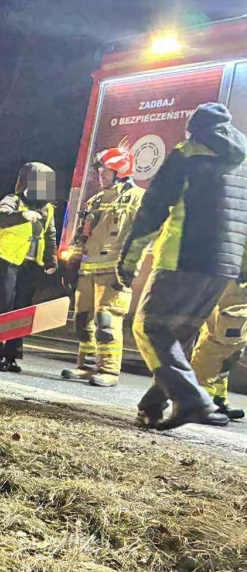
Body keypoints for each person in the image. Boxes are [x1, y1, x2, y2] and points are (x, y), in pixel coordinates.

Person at [117, 102, 247, 429]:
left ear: (194, 129)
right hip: (224, 266)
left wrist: (129, 259)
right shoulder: (243, 163)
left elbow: (154, 207)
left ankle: (192, 401)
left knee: (148, 327)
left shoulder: (186, 153)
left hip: (183, 256)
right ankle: (153, 406)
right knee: (180, 334)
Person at [60, 147, 144, 387]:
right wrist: (73, 263)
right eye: (99, 170)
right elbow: (80, 236)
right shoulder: (95, 200)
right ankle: (85, 366)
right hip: (88, 270)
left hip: (114, 271)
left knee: (107, 321)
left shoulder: (138, 198)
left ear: (121, 171)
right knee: (82, 320)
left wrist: (129, 269)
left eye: (105, 170)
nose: (100, 175)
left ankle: (108, 370)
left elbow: (142, 236)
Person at [0, 162, 58, 372]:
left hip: (31, 265)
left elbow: (50, 235)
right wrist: (21, 216)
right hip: (6, 260)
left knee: (21, 312)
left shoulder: (48, 208)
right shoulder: (13, 201)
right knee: (4, 308)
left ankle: (12, 356)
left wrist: (51, 260)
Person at [191, 281, 247, 420]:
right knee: (218, 345)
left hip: (236, 282)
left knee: (230, 350)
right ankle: (200, 405)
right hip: (234, 281)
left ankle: (217, 400)